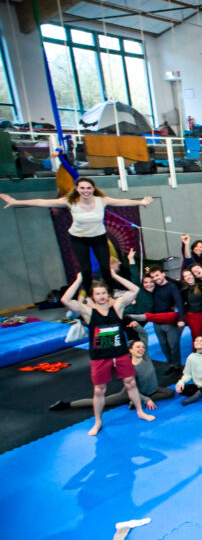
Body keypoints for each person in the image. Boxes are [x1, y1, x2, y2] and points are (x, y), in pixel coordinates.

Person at [1, 179, 152, 290]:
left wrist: (141, 203)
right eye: (82, 188)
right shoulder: (70, 201)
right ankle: (90, 295)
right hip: (79, 239)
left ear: (93, 188)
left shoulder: (101, 200)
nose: (86, 191)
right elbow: (43, 202)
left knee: (106, 268)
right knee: (85, 269)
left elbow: (122, 201)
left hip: (99, 238)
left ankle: (110, 293)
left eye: (88, 188)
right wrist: (16, 202)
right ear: (77, 189)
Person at [60, 271, 151, 435]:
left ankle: (140, 411)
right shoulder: (88, 312)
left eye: (103, 293)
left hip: (120, 354)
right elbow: (65, 300)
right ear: (93, 296)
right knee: (99, 390)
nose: (101, 296)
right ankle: (98, 421)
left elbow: (135, 290)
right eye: (97, 294)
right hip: (100, 357)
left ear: (108, 294)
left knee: (130, 383)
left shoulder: (117, 308)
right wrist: (79, 280)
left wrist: (115, 276)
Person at [51, 338, 173, 414]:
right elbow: (132, 389)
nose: (141, 349)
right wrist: (146, 400)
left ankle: (136, 402)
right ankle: (66, 404)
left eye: (142, 347)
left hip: (148, 390)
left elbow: (144, 337)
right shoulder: (130, 368)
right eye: (137, 347)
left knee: (169, 393)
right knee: (104, 401)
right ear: (130, 350)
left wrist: (137, 326)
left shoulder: (146, 358)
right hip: (130, 392)